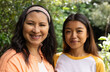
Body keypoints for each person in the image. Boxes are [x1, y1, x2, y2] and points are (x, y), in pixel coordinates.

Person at [0, 5, 57, 72]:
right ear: (22, 26)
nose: (36, 30)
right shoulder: (12, 60)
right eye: (30, 23)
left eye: (42, 25)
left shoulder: (46, 56)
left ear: (48, 29)